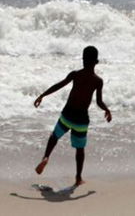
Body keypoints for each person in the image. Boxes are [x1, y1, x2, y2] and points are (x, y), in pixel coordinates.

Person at [33, 45, 111, 186]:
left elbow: (59, 85)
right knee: (80, 149)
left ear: (83, 60)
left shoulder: (75, 74)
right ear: (96, 62)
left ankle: (46, 157)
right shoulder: (97, 81)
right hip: (81, 120)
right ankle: (78, 178)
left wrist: (42, 95)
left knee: (54, 136)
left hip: (67, 114)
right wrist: (107, 110)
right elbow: (99, 101)